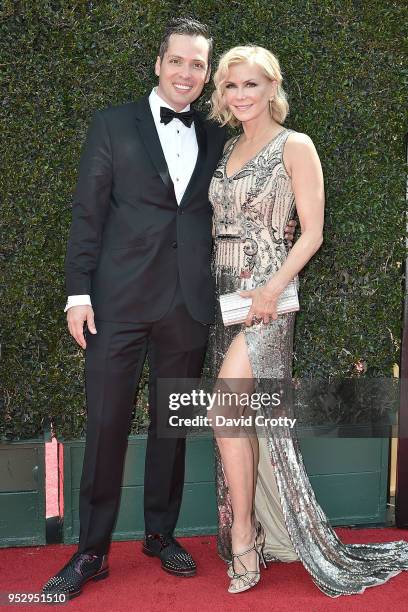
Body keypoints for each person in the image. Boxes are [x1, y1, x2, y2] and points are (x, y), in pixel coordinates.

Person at [41, 17, 298, 600]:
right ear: (158, 64)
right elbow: (88, 214)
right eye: (178, 61)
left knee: (172, 427)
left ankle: (161, 533)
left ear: (207, 73)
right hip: (117, 304)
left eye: (199, 65)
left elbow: (238, 201)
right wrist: (77, 294)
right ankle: (91, 552)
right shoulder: (112, 125)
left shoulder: (217, 134)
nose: (188, 73)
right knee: (106, 424)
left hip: (188, 302)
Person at [207, 44, 408, 596]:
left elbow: (312, 233)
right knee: (238, 418)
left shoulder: (296, 145)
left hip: (271, 298)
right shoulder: (228, 149)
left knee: (226, 404)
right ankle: (256, 532)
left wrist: (273, 289)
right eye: (231, 86)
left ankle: (246, 537)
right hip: (228, 296)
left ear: (273, 88)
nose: (240, 95)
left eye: (251, 84)